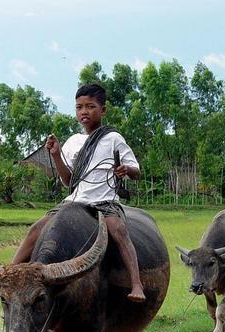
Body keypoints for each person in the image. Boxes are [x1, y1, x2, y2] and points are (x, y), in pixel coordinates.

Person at [12, 83, 146, 302]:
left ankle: (136, 283)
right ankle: (10, 272)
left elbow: (137, 172)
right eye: (79, 107)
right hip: (75, 200)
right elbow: (68, 181)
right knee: (36, 229)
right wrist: (56, 155)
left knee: (119, 231)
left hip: (104, 201)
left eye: (90, 106)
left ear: (103, 110)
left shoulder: (113, 138)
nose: (84, 111)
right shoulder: (74, 141)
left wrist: (126, 169)